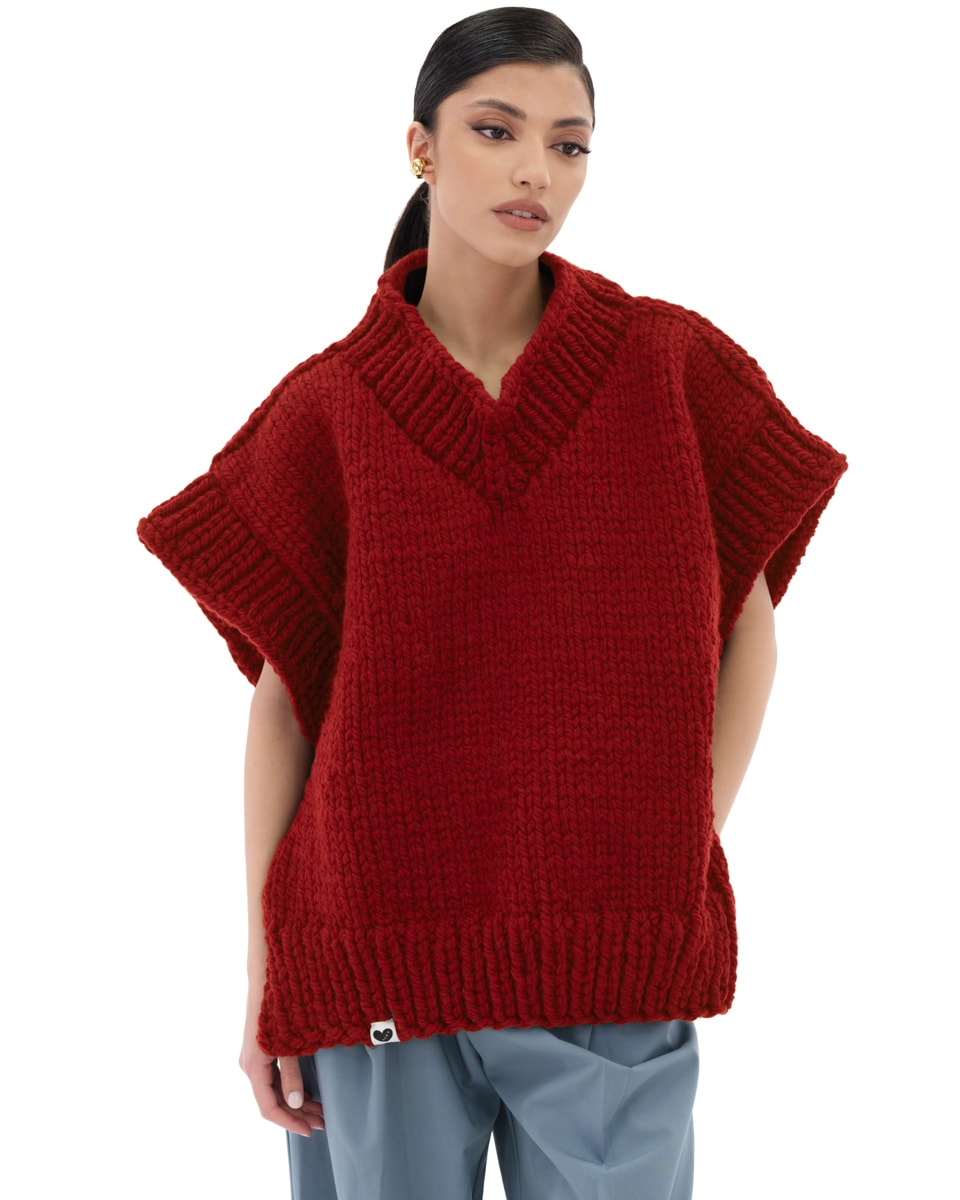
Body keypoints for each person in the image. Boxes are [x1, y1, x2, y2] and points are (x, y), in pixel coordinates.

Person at [137, 8, 847, 1198]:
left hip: (608, 957)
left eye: (569, 145)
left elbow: (750, 626)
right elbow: (285, 706)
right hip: (374, 954)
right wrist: (266, 979)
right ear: (419, 146)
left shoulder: (671, 369)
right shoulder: (329, 411)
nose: (536, 172)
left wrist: (675, 845)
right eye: (497, 130)